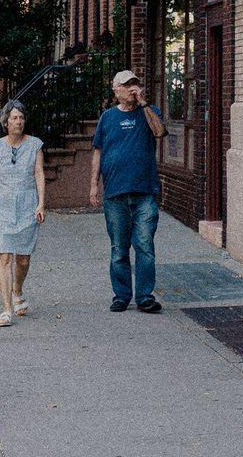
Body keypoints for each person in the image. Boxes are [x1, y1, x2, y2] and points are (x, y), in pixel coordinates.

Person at [89, 68, 167, 314]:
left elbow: (160, 132)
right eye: (126, 85)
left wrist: (143, 104)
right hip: (115, 193)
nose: (132, 89)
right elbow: (98, 151)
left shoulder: (149, 112)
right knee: (119, 248)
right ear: (116, 90)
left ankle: (144, 296)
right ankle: (121, 295)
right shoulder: (107, 117)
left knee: (144, 245)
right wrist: (94, 184)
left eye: (135, 84)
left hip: (144, 192)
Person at [0, 101, 45, 327]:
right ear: (6, 123)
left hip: (27, 203)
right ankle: (6, 309)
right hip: (1, 205)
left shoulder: (35, 145)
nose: (19, 121)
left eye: (21, 118)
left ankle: (18, 290)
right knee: (4, 257)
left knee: (23, 258)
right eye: (14, 118)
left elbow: (39, 174)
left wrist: (41, 204)